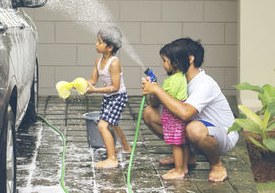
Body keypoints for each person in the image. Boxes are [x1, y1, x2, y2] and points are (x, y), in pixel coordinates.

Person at [142, 38, 239, 182]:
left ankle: (216, 164)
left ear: (190, 59)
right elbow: (160, 105)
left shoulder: (204, 83)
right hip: (191, 127)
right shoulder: (179, 79)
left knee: (194, 129)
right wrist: (154, 90)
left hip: (221, 134)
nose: (165, 64)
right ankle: (184, 155)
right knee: (149, 113)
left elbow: (185, 113)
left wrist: (158, 90)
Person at [86, 26, 131, 169]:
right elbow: (92, 81)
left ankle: (112, 159)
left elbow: (115, 87)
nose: (96, 44)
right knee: (113, 123)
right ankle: (126, 148)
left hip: (118, 97)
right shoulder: (98, 61)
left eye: (99, 42)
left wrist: (95, 91)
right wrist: (77, 84)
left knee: (102, 125)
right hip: (108, 97)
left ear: (110, 47)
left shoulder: (114, 62)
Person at [158, 41, 190, 179]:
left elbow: (164, 95)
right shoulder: (181, 76)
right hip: (180, 116)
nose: (163, 64)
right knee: (183, 143)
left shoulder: (173, 80)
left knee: (176, 144)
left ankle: (178, 171)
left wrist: (154, 88)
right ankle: (184, 167)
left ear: (175, 63)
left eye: (165, 61)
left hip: (173, 118)